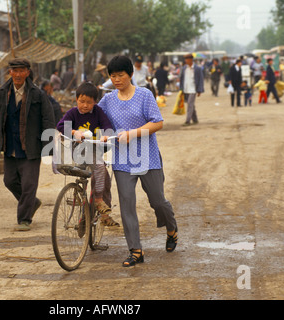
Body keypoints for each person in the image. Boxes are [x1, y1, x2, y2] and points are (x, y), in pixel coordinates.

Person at [98, 55, 178, 267]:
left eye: (120, 75)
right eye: (112, 76)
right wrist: (76, 129)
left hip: (147, 158)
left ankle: (171, 229)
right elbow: (95, 118)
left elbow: (157, 122)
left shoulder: (144, 95)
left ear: (131, 75)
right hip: (122, 160)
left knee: (158, 201)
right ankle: (135, 250)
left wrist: (133, 133)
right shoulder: (107, 100)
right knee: (127, 205)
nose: (116, 80)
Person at [0, 58, 55, 231]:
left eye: (21, 71)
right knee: (9, 181)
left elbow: (48, 119)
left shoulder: (38, 94)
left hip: (31, 146)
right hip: (10, 146)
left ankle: (24, 219)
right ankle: (32, 203)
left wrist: (48, 146)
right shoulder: (1, 93)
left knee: (29, 184)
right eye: (14, 71)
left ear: (27, 73)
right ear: (10, 72)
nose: (17, 74)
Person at [56, 82, 119, 227]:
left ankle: (104, 212)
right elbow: (60, 126)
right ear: (76, 99)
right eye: (82, 101)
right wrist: (73, 132)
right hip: (78, 150)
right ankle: (97, 200)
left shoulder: (98, 112)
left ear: (94, 102)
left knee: (105, 178)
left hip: (95, 148)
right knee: (99, 167)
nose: (85, 105)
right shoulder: (72, 113)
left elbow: (107, 126)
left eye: (89, 102)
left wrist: (105, 135)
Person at [179, 53, 205, 126]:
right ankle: (195, 119)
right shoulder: (184, 68)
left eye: (187, 59)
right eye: (185, 59)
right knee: (191, 105)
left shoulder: (197, 69)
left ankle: (187, 121)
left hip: (193, 89)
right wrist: (181, 89)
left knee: (190, 105)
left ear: (191, 60)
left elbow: (200, 79)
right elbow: (181, 79)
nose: (186, 61)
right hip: (186, 89)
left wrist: (199, 90)